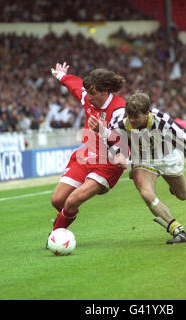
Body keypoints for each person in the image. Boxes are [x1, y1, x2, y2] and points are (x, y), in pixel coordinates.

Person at [90, 92, 186, 244]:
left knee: (182, 195)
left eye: (136, 116)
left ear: (147, 113)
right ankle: (177, 229)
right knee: (146, 193)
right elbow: (110, 138)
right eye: (130, 115)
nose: (132, 120)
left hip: (166, 158)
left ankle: (173, 187)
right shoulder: (121, 121)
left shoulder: (162, 121)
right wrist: (117, 153)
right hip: (143, 160)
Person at [46, 62, 126, 247]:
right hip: (86, 155)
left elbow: (121, 141)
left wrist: (104, 131)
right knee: (58, 200)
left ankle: (55, 238)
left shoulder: (119, 110)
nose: (88, 97)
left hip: (108, 161)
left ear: (105, 91)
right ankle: (67, 217)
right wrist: (60, 75)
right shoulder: (88, 96)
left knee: (72, 200)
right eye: (87, 93)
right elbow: (74, 85)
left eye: (93, 94)